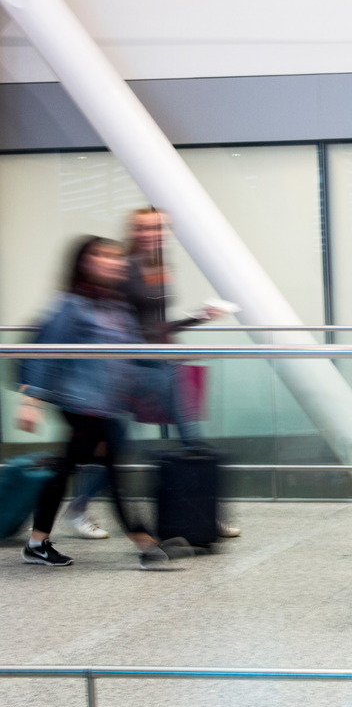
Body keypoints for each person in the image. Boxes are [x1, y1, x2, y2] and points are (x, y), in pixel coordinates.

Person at [14, 237, 191, 569]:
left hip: (106, 404)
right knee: (112, 468)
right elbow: (45, 350)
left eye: (117, 257)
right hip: (79, 402)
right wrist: (31, 400)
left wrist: (148, 380)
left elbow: (132, 351)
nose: (115, 262)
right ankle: (147, 546)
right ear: (84, 262)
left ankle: (37, 543)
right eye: (104, 256)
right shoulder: (71, 304)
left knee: (66, 467)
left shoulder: (117, 306)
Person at [62, 208, 238, 540]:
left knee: (192, 438)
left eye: (157, 228)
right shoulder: (123, 268)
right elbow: (120, 323)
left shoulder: (161, 270)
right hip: (131, 368)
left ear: (166, 231)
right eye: (143, 228)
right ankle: (78, 507)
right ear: (133, 231)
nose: (151, 234)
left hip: (165, 363)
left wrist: (198, 317)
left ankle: (205, 513)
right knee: (119, 443)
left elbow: (157, 326)